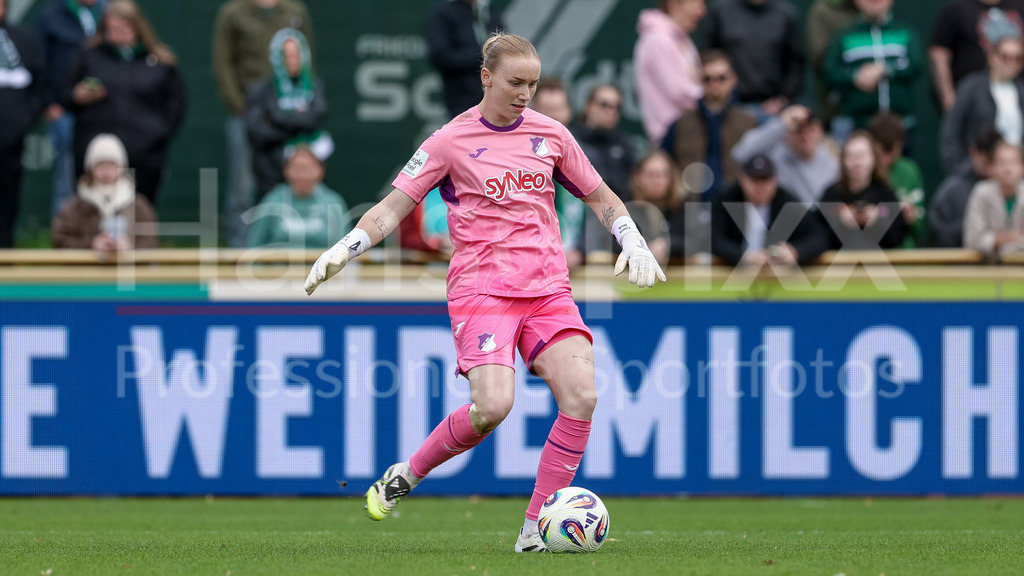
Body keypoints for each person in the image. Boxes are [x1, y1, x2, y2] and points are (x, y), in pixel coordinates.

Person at [303, 32, 666, 553]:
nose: (525, 93)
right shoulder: (449, 140)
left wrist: (630, 235)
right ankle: (408, 472)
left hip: (546, 288)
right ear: (486, 77)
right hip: (482, 291)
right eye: (516, 82)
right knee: (493, 407)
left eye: (533, 84)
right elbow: (392, 207)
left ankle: (533, 531)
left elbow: (601, 194)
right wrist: (347, 246)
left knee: (583, 395)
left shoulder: (552, 135)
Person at [62, 0, 187, 204]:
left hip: (145, 154)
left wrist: (157, 134)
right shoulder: (89, 56)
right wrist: (78, 95)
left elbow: (176, 105)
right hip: (96, 150)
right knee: (93, 214)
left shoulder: (160, 62)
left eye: (123, 28)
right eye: (112, 29)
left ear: (137, 27)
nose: (117, 34)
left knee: (138, 215)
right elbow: (65, 96)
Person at [213, 0, 313, 247]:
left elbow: (307, 60)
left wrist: (300, 105)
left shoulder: (295, 12)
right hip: (249, 117)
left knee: (293, 180)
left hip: (291, 118)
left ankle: (289, 245)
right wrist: (245, 111)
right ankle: (242, 252)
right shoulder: (232, 13)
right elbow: (222, 64)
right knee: (242, 187)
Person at [35, 0, 105, 217]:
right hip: (64, 112)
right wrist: (49, 104)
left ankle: (107, 235)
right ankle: (65, 240)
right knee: (66, 178)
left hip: (105, 112)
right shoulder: (51, 15)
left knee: (107, 173)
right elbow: (39, 61)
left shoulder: (111, 11)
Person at [661, 50, 757, 200]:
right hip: (689, 208)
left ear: (733, 79)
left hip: (736, 209)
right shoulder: (681, 124)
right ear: (699, 80)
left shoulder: (749, 122)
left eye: (721, 78)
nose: (715, 84)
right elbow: (664, 162)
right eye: (707, 79)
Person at [246, 28, 329, 200]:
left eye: (296, 55)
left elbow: (315, 117)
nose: (292, 61)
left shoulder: (316, 87)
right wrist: (298, 124)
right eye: (286, 55)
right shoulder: (260, 91)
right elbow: (256, 132)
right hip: (269, 171)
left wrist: (276, 120)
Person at [824, 0, 924, 140]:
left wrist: (885, 69)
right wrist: (856, 76)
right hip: (857, 125)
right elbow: (831, 71)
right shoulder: (844, 36)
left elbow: (915, 65)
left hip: (900, 124)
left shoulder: (905, 32)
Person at [712, 154, 828, 267]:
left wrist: (794, 251)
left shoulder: (787, 202)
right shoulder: (727, 199)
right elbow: (713, 238)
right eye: (755, 179)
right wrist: (743, 256)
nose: (760, 185)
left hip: (778, 275)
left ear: (775, 180)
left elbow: (819, 237)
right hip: (734, 273)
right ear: (742, 179)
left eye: (765, 179)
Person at [51, 133, 158, 252]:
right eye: (101, 165)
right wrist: (91, 245)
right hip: (87, 270)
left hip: (126, 270)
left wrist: (129, 247)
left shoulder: (139, 205)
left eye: (112, 165)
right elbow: (59, 241)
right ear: (91, 169)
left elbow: (150, 243)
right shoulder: (74, 206)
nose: (106, 172)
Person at [702, 0, 804, 121]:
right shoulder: (721, 10)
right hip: (728, 109)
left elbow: (796, 62)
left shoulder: (785, 13)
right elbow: (707, 55)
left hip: (772, 111)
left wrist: (783, 98)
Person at [940, 34, 1024, 170]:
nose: (1011, 63)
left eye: (1018, 59)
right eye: (1005, 57)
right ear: (992, 57)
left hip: (1016, 174)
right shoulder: (971, 87)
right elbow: (951, 131)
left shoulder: (1021, 90)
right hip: (978, 171)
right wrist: (959, 169)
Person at [731, 103, 839, 207]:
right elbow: (740, 154)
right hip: (785, 220)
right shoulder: (777, 157)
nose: (805, 136)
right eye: (799, 130)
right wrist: (781, 123)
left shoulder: (830, 160)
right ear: (786, 133)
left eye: (811, 129)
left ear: (820, 130)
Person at [0, 0, 44, 248]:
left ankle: (5, 257)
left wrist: (24, 120)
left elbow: (40, 80)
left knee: (7, 201)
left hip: (11, 141)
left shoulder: (23, 39)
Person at [819, 130, 908, 249]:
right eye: (851, 156)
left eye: (861, 156)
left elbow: (898, 237)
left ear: (873, 159)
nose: (856, 163)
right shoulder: (831, 195)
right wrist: (841, 224)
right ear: (843, 161)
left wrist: (877, 222)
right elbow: (817, 236)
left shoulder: (885, 193)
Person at [931, 0, 1024, 113]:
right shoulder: (958, 7)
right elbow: (939, 53)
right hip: (972, 104)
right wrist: (948, 98)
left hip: (1017, 97)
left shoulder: (1019, 4)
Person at [530, 76, 585, 269]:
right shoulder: (517, 157)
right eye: (546, 110)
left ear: (569, 112)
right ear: (532, 112)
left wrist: (581, 250)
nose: (552, 117)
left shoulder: (586, 157)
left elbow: (599, 204)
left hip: (577, 264)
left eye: (557, 110)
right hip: (529, 260)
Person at [634, 0, 705, 145]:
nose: (702, 11)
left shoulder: (681, 38)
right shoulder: (658, 40)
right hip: (671, 139)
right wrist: (711, 98)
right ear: (673, 4)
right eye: (696, 4)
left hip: (688, 134)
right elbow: (682, 93)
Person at [246, 146, 347, 248]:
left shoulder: (333, 202)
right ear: (286, 171)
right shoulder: (272, 201)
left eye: (308, 168)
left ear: (321, 171)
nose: (303, 175)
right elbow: (254, 246)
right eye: (297, 168)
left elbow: (346, 247)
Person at [423, 0, 503, 120]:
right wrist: (482, 56)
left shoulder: (487, 10)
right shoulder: (442, 13)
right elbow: (440, 56)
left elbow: (503, 44)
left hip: (496, 97)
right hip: (462, 99)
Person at [930, 124, 1001, 247]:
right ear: (973, 151)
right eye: (985, 161)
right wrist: (972, 227)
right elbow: (938, 234)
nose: (988, 167)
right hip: (961, 262)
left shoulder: (1015, 188)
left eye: (993, 161)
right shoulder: (953, 189)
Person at [867, 111, 926, 247]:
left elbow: (920, 226)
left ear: (900, 145)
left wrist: (913, 217)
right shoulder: (862, 169)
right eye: (882, 150)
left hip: (903, 254)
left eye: (891, 150)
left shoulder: (910, 171)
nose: (886, 159)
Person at [571, 84, 636, 201]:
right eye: (604, 105)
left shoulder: (624, 142)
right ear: (588, 106)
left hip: (618, 210)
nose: (611, 111)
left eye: (617, 107)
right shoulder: (572, 139)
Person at [963, 139, 1024, 257]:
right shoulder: (980, 193)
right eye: (1002, 163)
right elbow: (972, 241)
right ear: (991, 168)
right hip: (986, 268)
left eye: (1013, 162)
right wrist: (1009, 237)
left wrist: (996, 246)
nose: (1007, 169)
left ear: (1022, 167)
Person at [806, 0, 858, 127]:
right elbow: (821, 59)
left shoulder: (871, 9)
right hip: (838, 107)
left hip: (874, 108)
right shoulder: (822, 10)